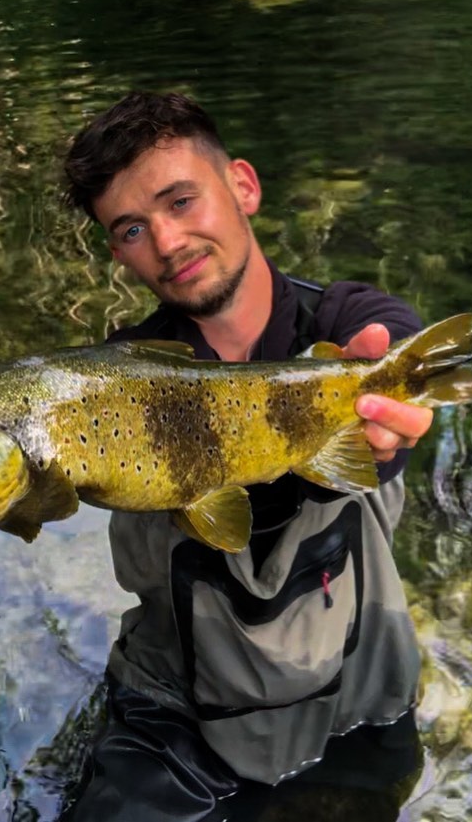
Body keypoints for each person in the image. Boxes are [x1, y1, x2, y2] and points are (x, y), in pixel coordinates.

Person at [59, 92, 433, 822]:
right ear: (116, 251)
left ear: (243, 186)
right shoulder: (112, 379)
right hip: (176, 716)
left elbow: (390, 338)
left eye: (180, 200)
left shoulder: (345, 323)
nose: (165, 243)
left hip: (356, 695)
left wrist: (390, 418)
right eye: (132, 227)